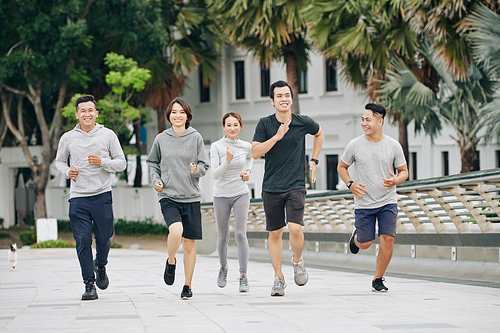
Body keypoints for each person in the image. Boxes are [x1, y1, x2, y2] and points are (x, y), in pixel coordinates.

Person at [252, 80, 324, 296]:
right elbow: (255, 152)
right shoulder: (265, 124)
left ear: (291, 99)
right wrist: (277, 136)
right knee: (275, 233)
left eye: (287, 95)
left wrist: (314, 159)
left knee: (295, 227)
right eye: (279, 96)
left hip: (295, 185)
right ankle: (278, 278)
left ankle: (297, 260)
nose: (284, 99)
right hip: (272, 186)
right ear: (272, 101)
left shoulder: (303, 122)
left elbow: (319, 133)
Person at [55, 94, 126, 301]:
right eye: (82, 111)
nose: (87, 114)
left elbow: (121, 163)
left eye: (90, 110)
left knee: (104, 239)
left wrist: (103, 162)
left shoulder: (108, 135)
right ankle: (89, 284)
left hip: (102, 195)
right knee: (83, 241)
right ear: (77, 114)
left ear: (96, 113)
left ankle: (100, 265)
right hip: (78, 198)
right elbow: (59, 162)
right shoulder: (67, 138)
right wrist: (68, 172)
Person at [338, 103, 408, 292]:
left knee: (388, 239)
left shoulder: (393, 145)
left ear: (380, 121)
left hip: (387, 201)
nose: (364, 123)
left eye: (367, 119)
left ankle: (378, 279)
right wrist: (350, 184)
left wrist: (395, 180)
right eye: (363, 119)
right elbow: (341, 167)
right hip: (364, 202)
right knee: (366, 243)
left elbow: (404, 172)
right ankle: (356, 238)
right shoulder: (355, 145)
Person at [146, 97, 209, 300]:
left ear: (187, 116)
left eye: (181, 112)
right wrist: (156, 180)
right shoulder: (161, 138)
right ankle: (171, 260)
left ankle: (187, 286)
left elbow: (204, 166)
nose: (178, 115)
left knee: (189, 244)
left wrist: (196, 169)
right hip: (169, 195)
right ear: (169, 115)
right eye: (174, 112)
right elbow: (152, 163)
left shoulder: (196, 137)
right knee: (176, 230)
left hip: (191, 196)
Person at [210, 112, 253, 292]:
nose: (232, 128)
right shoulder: (217, 146)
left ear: (240, 126)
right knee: (223, 236)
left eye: (235, 125)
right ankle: (223, 268)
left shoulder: (246, 146)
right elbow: (215, 174)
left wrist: (248, 172)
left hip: (241, 193)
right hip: (221, 195)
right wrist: (227, 160)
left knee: (241, 234)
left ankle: (243, 276)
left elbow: (250, 159)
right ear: (224, 127)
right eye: (228, 125)